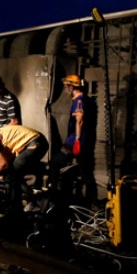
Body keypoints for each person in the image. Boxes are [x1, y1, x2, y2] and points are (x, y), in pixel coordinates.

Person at [48, 74, 98, 204]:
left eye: (66, 86)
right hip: (85, 143)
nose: (65, 88)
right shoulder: (86, 100)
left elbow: (79, 121)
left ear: (71, 86)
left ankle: (53, 193)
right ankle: (92, 201)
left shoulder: (79, 101)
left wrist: (76, 140)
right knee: (86, 172)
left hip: (76, 142)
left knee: (55, 163)